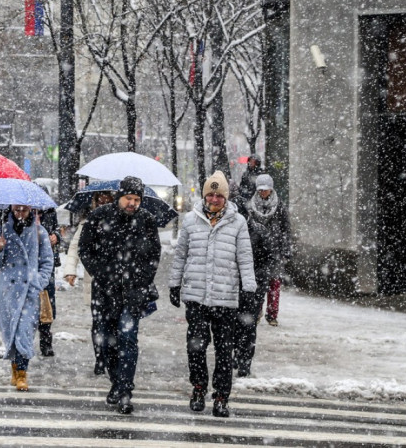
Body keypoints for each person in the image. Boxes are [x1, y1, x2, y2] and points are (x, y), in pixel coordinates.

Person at [168, 170, 256, 418]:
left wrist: (248, 289)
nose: (214, 199)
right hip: (196, 296)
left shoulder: (238, 222)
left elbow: (245, 259)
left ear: (225, 197)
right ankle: (198, 388)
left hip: (226, 298)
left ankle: (221, 396)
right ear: (205, 195)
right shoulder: (190, 220)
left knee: (223, 350)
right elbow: (181, 256)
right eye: (211, 194)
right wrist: (175, 284)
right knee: (195, 347)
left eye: (219, 195)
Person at [78, 176, 161, 415]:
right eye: (129, 198)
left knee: (128, 339)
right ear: (119, 197)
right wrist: (101, 272)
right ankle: (115, 380)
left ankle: (125, 390)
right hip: (104, 292)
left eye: (137, 199)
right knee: (104, 341)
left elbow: (154, 254)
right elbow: (85, 249)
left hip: (133, 293)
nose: (132, 203)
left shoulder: (146, 221)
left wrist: (142, 279)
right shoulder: (99, 217)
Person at [0, 204, 55, 392]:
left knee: (24, 330)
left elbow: (47, 260)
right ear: (10, 209)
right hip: (7, 291)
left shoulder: (39, 232)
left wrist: (38, 281)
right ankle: (15, 369)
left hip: (29, 291)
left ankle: (22, 374)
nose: (19, 214)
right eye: (16, 210)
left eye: (23, 210)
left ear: (30, 211)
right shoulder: (0, 232)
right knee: (10, 330)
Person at [63, 189, 114, 375]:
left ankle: (112, 356)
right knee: (99, 322)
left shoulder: (121, 221)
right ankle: (100, 357)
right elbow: (75, 248)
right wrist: (70, 270)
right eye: (100, 201)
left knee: (114, 323)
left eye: (107, 201)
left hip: (117, 282)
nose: (103, 204)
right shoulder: (88, 223)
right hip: (95, 280)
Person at [246, 173, 291, 329]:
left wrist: (285, 249)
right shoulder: (250, 206)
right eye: (260, 189)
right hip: (256, 251)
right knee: (257, 284)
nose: (263, 192)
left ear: (271, 189)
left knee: (274, 284)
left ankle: (272, 314)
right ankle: (256, 311)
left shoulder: (279, 206)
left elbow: (286, 229)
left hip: (274, 251)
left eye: (266, 189)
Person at [37, 206, 62, 357]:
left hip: (46, 263)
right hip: (28, 264)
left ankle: (46, 340)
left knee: (47, 303)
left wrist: (56, 236)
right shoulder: (19, 213)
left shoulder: (50, 213)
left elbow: (57, 229)